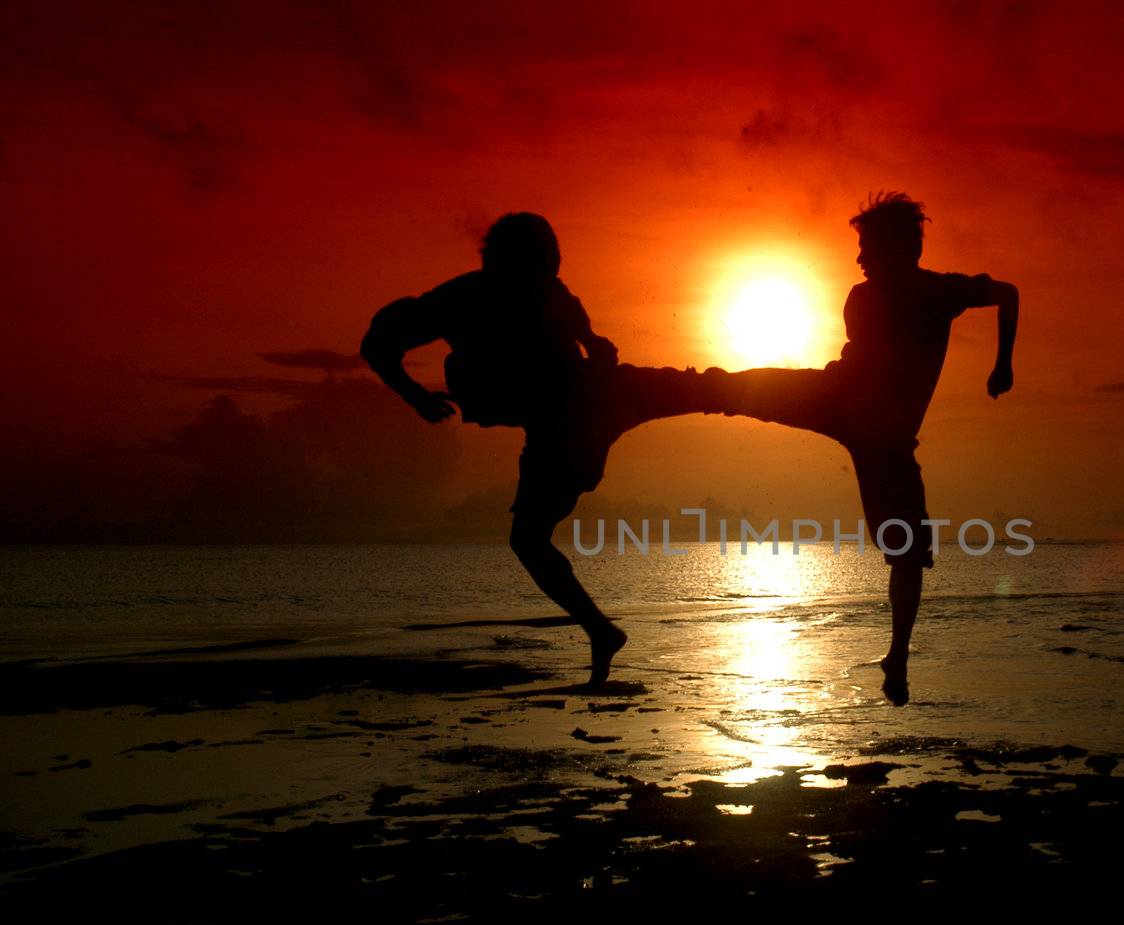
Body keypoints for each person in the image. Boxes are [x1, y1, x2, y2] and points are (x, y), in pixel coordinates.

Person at [360, 212, 723, 687]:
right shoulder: (472, 297)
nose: (546, 273)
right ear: (520, 260)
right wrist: (414, 395)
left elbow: (597, 350)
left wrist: (416, 396)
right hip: (573, 422)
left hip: (585, 413)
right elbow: (379, 339)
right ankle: (600, 630)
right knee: (528, 539)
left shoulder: (512, 295)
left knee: (709, 390)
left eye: (549, 266)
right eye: (544, 263)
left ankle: (599, 630)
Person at [721, 192, 1018, 705]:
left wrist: (1003, 363)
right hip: (847, 405)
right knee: (742, 389)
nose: (859, 259)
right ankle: (663, 390)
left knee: (909, 552)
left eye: (867, 248)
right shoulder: (877, 296)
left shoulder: (935, 291)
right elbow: (1007, 293)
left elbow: (1008, 293)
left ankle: (897, 654)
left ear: (897, 248)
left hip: (880, 434)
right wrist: (1002, 364)